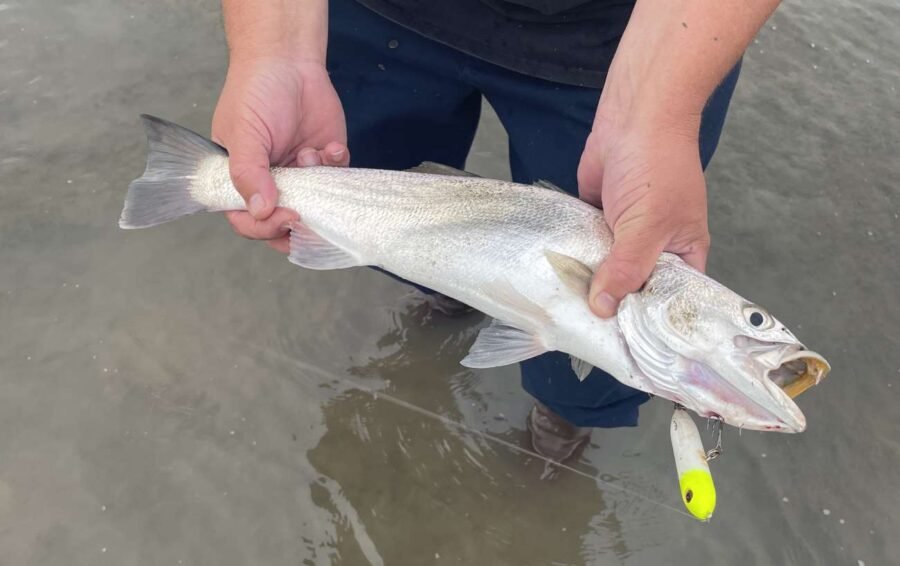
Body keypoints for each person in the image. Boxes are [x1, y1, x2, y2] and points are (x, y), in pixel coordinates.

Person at [211, 0, 779, 462]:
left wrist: (657, 112)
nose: (758, 329)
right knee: (376, 205)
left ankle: (563, 418)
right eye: (756, 321)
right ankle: (446, 290)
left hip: (640, 47)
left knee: (590, 352)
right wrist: (274, 48)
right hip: (378, 16)